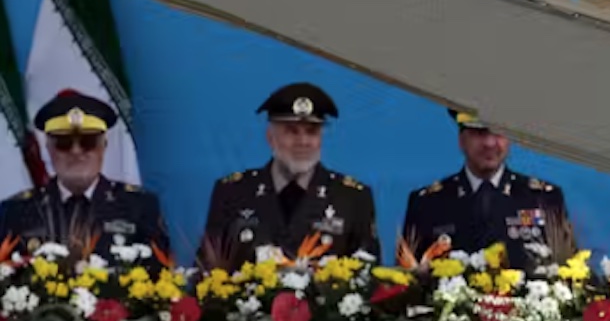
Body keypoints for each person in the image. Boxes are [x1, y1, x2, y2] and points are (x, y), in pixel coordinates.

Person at [202, 82, 378, 265]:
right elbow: (206, 272)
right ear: (270, 137)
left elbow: (371, 280)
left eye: (312, 132)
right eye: (291, 131)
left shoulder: (353, 198)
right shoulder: (233, 193)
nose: (303, 142)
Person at [0, 90, 167, 257]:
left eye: (88, 142)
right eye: (64, 143)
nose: (76, 151)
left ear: (104, 146)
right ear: (49, 148)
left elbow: (161, 275)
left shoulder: (139, 208)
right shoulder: (16, 212)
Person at [400, 108, 572, 260]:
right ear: (461, 140)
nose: (489, 143)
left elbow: (569, 273)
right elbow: (408, 282)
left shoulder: (544, 198)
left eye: (497, 132)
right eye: (479, 133)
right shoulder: (427, 203)